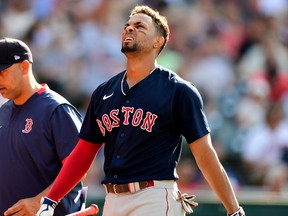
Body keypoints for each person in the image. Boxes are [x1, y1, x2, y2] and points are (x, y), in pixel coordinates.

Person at [37, 5, 245, 216]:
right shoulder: (103, 92)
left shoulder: (178, 91)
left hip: (153, 196)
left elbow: (205, 155)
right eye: (127, 25)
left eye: (139, 26)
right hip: (113, 199)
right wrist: (50, 200)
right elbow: (83, 153)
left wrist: (234, 210)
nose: (129, 29)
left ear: (158, 41)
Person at [0, 37, 85, 215]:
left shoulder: (56, 109)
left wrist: (42, 201)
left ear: (24, 66)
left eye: (2, 72)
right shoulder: (4, 111)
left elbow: (78, 167)